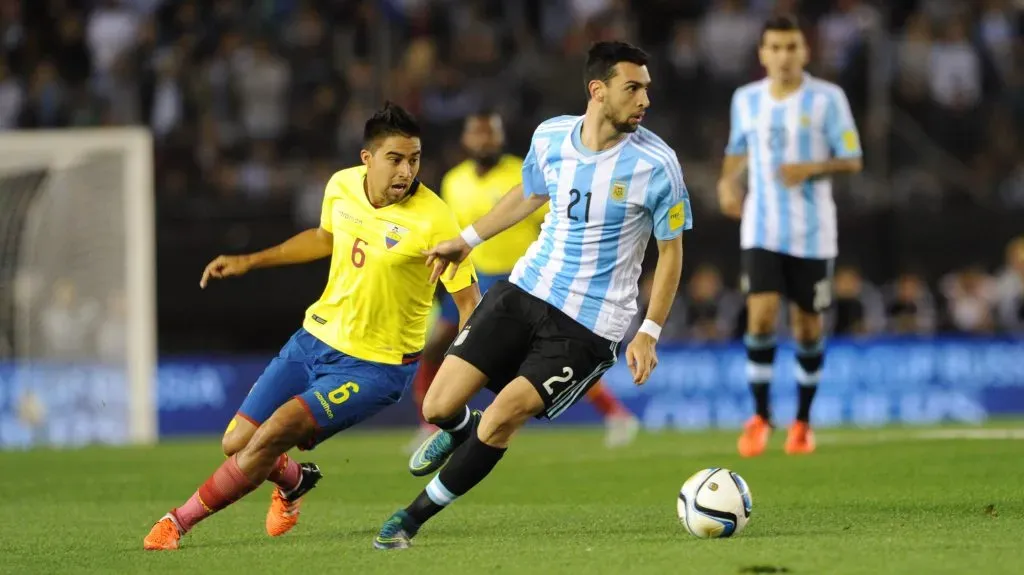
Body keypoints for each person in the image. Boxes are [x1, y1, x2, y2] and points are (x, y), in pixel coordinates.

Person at [374, 40, 692, 550]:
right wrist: (467, 240)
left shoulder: (658, 165)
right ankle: (460, 427)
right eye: (632, 88)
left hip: (589, 325)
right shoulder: (551, 137)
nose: (644, 100)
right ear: (598, 90)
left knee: (502, 418)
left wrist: (649, 331)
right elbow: (529, 194)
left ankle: (409, 520)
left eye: (646, 89)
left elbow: (671, 253)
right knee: (437, 406)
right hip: (525, 289)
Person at [142, 102, 481, 550]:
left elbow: (468, 302)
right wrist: (250, 260)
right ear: (368, 159)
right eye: (395, 159)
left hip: (375, 367)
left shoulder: (435, 218)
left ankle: (177, 522)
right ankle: (294, 480)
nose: (406, 171)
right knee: (237, 441)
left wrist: (464, 371)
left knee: (275, 431)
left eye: (414, 159)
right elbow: (324, 238)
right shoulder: (342, 185)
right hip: (314, 339)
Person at [408, 109, 640, 453]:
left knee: (541, 359)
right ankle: (431, 423)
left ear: (501, 137)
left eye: (491, 133)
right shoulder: (454, 180)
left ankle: (615, 414)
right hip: (472, 277)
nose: (484, 140)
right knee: (434, 348)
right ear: (466, 139)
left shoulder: (521, 172)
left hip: (520, 280)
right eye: (478, 133)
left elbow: (559, 219)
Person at [716, 15, 863, 457]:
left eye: (791, 47)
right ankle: (760, 417)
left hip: (814, 233)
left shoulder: (827, 99)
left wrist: (811, 167)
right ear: (762, 53)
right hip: (760, 227)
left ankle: (802, 421)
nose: (784, 55)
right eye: (775, 47)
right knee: (760, 316)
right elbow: (737, 150)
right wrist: (727, 183)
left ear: (806, 51)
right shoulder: (746, 99)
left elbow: (852, 157)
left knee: (807, 327)